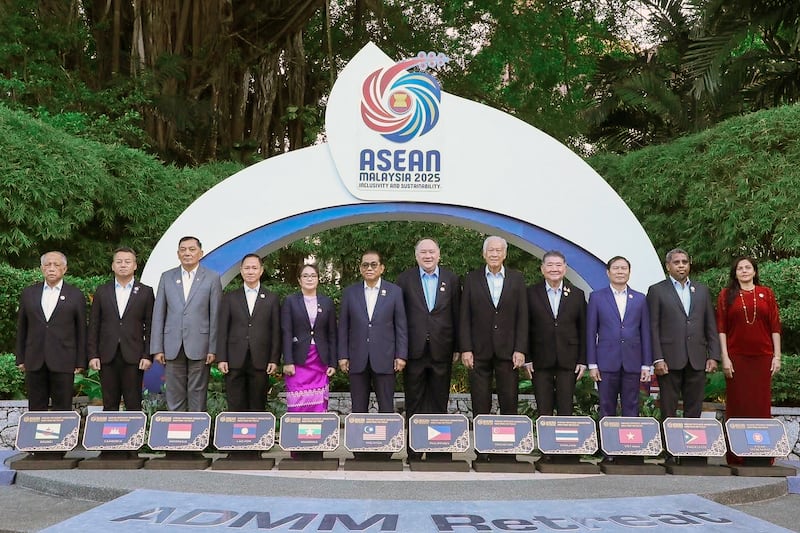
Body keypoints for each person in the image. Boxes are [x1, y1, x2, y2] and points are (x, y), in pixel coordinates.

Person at [396, 238, 460, 461]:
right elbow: (399, 318)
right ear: (416, 256)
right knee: (413, 401)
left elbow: (457, 314)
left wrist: (459, 347)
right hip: (413, 351)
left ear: (439, 254)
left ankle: (438, 450)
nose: (428, 256)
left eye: (431, 252)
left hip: (442, 349)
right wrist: (400, 350)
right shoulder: (405, 279)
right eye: (423, 252)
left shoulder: (451, 279)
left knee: (439, 401)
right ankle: (415, 450)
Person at [717, 256, 781, 465]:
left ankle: (762, 454)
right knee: (738, 405)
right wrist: (725, 358)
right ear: (735, 273)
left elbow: (775, 327)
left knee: (760, 406)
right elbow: (722, 329)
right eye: (739, 268)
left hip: (762, 357)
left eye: (748, 267)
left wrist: (776, 356)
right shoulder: (727, 295)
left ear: (754, 271)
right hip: (736, 358)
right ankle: (738, 455)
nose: (744, 271)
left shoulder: (766, 294)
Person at [150, 236, 222, 412]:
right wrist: (157, 348)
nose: (187, 253)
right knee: (174, 393)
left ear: (201, 253)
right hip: (172, 345)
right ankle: (176, 434)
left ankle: (196, 435)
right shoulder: (167, 277)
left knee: (198, 393)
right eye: (183, 249)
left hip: (201, 344)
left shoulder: (212, 278)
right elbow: (158, 314)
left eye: (192, 249)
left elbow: (215, 315)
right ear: (177, 253)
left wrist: (213, 348)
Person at [460, 236, 528, 418]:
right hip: (478, 351)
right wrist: (466, 349)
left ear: (505, 254)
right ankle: (483, 446)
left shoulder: (517, 279)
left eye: (498, 250)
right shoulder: (471, 279)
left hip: (508, 352)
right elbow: (464, 316)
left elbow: (523, 317)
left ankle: (509, 444)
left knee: (509, 401)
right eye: (491, 250)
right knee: (480, 402)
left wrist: (520, 349)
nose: (495, 254)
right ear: (484, 254)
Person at [646, 248, 719, 419]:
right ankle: (669, 445)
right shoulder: (657, 290)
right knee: (668, 408)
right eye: (676, 262)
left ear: (689, 265)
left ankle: (691, 444)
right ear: (668, 266)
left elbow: (710, 324)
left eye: (684, 262)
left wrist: (713, 356)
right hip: (668, 360)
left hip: (697, 359)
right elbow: (653, 327)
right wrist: (657, 358)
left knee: (694, 407)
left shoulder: (701, 290)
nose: (681, 266)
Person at [338, 251, 408, 414]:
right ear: (361, 269)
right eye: (365, 265)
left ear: (382, 268)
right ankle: (356, 440)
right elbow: (343, 326)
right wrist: (342, 355)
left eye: (373, 264)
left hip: (386, 358)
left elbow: (401, 326)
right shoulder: (350, 293)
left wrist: (401, 355)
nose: (369, 268)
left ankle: (387, 440)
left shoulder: (394, 292)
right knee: (358, 408)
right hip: (357, 358)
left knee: (386, 408)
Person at [15, 251, 87, 411]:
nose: (52, 268)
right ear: (42, 269)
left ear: (64, 269)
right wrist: (20, 357)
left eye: (56, 265)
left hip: (64, 359)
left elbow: (82, 330)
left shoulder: (75, 295)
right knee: (35, 407)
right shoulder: (29, 293)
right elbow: (22, 327)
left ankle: (61, 436)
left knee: (62, 407)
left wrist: (81, 361)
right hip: (34, 359)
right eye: (48, 265)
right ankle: (37, 436)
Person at [87, 247, 155, 411]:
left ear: (135, 266)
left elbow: (151, 326)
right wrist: (93, 354)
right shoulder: (102, 291)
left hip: (134, 355)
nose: (123, 265)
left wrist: (147, 355)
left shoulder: (146, 292)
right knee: (109, 402)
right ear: (112, 266)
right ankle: (109, 437)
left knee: (133, 402)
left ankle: (134, 436)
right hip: (107, 355)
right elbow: (94, 324)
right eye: (119, 262)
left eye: (127, 261)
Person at [587, 256, 652, 418]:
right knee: (606, 406)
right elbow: (590, 332)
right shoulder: (597, 297)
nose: (620, 272)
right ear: (608, 272)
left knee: (632, 406)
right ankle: (608, 442)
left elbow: (645, 332)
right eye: (616, 268)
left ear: (629, 272)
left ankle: (631, 443)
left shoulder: (640, 298)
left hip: (632, 361)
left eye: (624, 268)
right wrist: (592, 364)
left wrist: (646, 365)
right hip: (606, 362)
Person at [216, 254, 280, 412]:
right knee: (235, 405)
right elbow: (222, 329)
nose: (250, 271)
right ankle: (236, 437)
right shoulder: (229, 297)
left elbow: (276, 331)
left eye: (254, 267)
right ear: (241, 270)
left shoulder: (271, 298)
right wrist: (221, 358)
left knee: (258, 404)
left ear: (261, 270)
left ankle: (256, 437)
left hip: (261, 359)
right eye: (247, 268)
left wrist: (274, 359)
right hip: (234, 360)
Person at [527, 250, 586, 416]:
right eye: (550, 265)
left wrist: (582, 360)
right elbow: (525, 327)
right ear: (542, 269)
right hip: (539, 359)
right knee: (543, 408)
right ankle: (546, 442)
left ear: (565, 269)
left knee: (565, 407)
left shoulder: (577, 294)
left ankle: (564, 441)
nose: (554, 269)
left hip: (569, 359)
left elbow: (583, 329)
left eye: (558, 265)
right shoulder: (530, 293)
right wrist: (527, 358)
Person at [281, 263, 337, 412]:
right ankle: (297, 435)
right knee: (297, 402)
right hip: (298, 360)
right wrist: (288, 361)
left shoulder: (327, 302)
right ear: (299, 280)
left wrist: (333, 363)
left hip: (320, 360)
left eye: (313, 276)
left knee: (318, 403)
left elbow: (332, 334)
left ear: (318, 279)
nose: (309, 279)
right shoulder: (290, 301)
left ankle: (317, 435)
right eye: (305, 276)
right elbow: (286, 332)